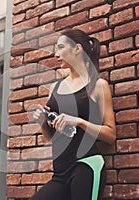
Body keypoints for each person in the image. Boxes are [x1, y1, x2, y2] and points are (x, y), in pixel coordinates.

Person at [32, 29, 116, 200]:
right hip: (61, 171)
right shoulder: (55, 88)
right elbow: (51, 138)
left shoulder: (98, 85)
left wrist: (79, 122)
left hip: (86, 165)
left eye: (61, 47)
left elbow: (110, 135)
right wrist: (42, 123)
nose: (56, 54)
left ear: (77, 49)